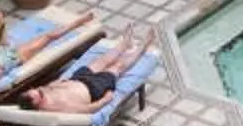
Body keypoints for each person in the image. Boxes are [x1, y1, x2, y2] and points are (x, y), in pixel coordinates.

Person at [13, 28, 156, 115]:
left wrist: (61, 82)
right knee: (117, 66)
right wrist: (106, 99)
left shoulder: (40, 93)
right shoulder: (56, 108)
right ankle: (143, 47)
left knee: (103, 60)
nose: (38, 90)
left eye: (36, 90)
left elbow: (52, 85)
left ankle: (124, 44)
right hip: (94, 88)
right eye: (39, 94)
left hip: (78, 78)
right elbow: (88, 109)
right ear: (37, 105)